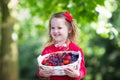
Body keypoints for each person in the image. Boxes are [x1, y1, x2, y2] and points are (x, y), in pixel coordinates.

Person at [37, 11, 87, 80]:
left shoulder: (76, 50)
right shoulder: (47, 50)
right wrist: (41, 74)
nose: (55, 31)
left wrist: (77, 74)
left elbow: (83, 70)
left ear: (69, 30)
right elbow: (40, 70)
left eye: (59, 28)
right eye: (53, 28)